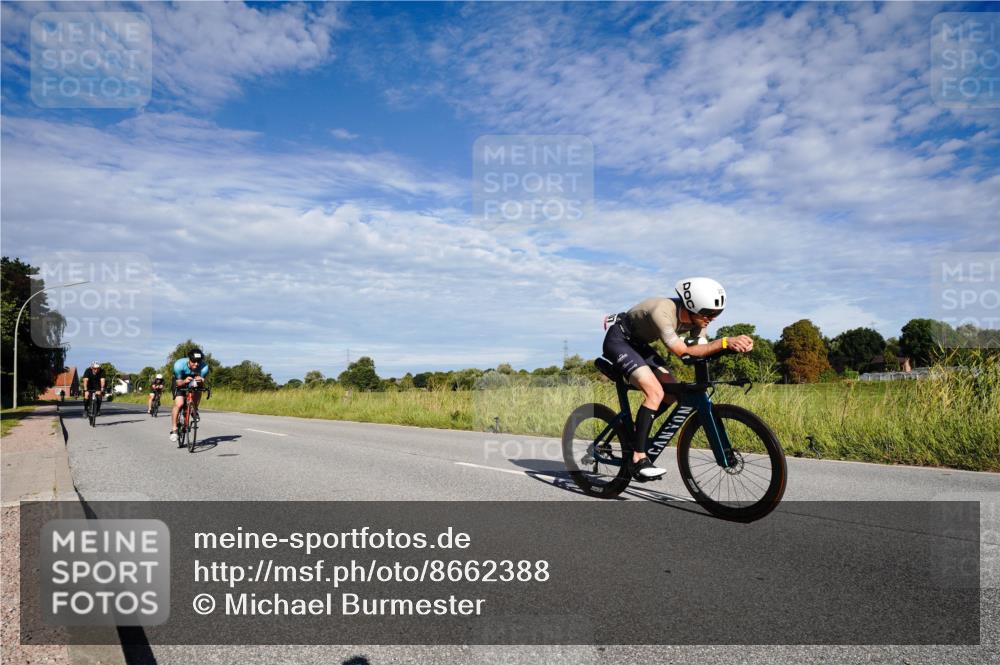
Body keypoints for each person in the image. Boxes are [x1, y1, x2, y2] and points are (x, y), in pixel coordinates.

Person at [602, 277, 754, 480]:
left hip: (639, 345)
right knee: (655, 391)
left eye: (718, 313)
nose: (713, 318)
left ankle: (638, 432)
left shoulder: (698, 320)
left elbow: (699, 352)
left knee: (671, 394)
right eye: (709, 313)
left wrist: (733, 348)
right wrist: (724, 342)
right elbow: (683, 352)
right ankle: (638, 458)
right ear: (691, 306)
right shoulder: (662, 312)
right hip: (619, 341)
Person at [170, 349, 210, 442]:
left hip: (194, 381)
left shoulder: (204, 367)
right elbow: (179, 383)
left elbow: (201, 385)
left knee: (198, 390)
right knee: (179, 404)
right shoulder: (179, 365)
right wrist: (184, 381)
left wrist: (200, 381)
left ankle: (193, 408)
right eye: (194, 362)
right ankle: (174, 429)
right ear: (189, 359)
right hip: (180, 381)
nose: (196, 364)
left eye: (198, 362)